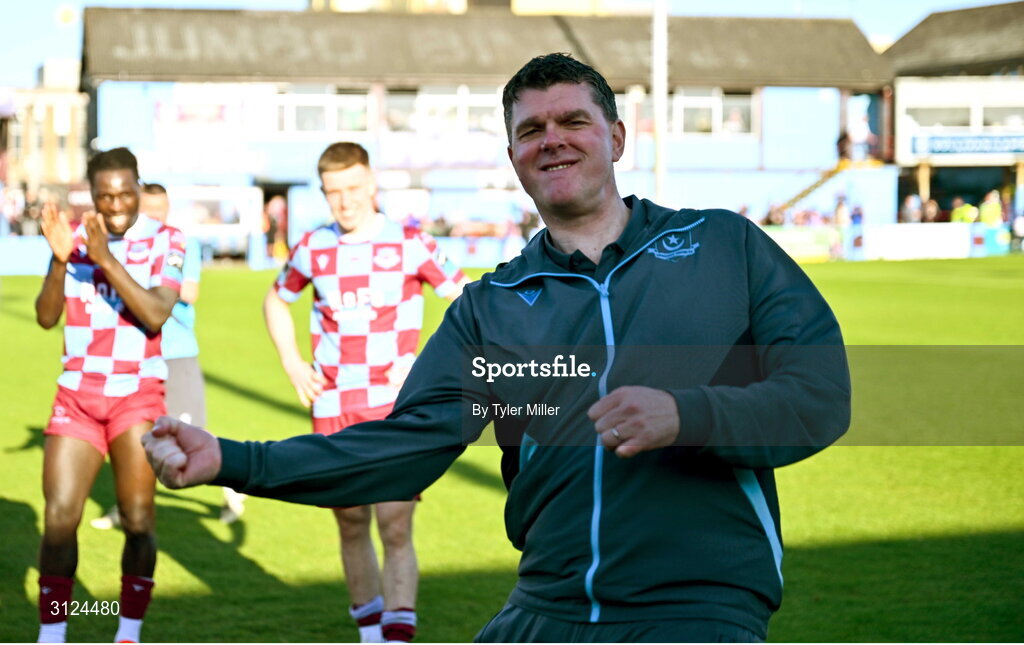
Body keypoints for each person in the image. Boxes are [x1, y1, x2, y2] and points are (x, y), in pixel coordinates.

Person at [144, 54, 851, 642]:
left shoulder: (722, 246)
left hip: (696, 607)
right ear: (513, 154)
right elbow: (401, 446)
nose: (553, 138)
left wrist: (686, 415)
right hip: (546, 607)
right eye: (531, 128)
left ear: (618, 137)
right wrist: (232, 459)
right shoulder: (493, 307)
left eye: (575, 120)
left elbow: (821, 395)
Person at [261, 142, 467, 642]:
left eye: (353, 189)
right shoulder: (313, 247)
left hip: (395, 409)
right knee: (350, 525)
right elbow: (276, 298)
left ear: (373, 184)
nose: (344, 201)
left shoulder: (410, 242)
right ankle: (370, 635)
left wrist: (432, 369)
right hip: (332, 405)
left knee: (395, 526)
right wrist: (292, 363)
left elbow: (465, 300)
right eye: (333, 192)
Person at [36, 147, 185, 643]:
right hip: (77, 395)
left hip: (136, 394)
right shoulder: (74, 238)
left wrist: (103, 259)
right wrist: (61, 262)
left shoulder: (168, 240)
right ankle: (53, 633)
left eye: (126, 193)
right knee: (59, 518)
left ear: (139, 188)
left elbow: (156, 313)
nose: (117, 204)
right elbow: (45, 315)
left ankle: (127, 630)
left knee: (138, 518)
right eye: (106, 196)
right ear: (92, 196)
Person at [91, 183, 247, 530]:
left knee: (191, 434)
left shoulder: (179, 242)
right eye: (150, 209)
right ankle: (125, 507)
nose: (157, 216)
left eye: (162, 209)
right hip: (137, 352)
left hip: (176, 352)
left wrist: (152, 289)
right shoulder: (130, 246)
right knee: (131, 432)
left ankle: (233, 485)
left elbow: (190, 291)